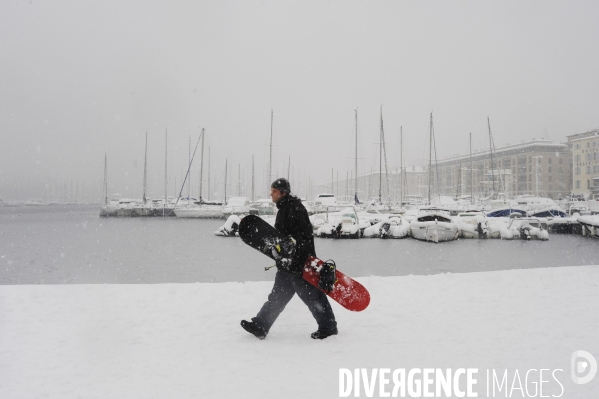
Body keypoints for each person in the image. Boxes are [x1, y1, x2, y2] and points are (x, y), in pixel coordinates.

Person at [241, 178, 338, 340]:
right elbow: (284, 237)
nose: (271, 194)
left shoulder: (295, 209)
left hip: (299, 264)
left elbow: (305, 237)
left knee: (312, 297)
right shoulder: (285, 208)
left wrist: (292, 245)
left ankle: (328, 328)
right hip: (286, 264)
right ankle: (261, 325)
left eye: (274, 191)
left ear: (283, 192)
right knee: (277, 297)